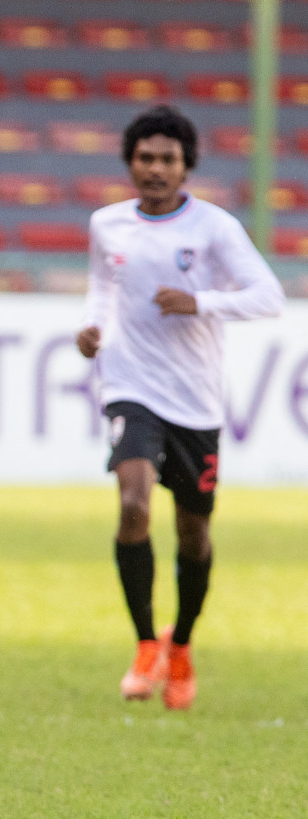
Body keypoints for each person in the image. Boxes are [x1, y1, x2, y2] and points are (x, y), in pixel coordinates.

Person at [77, 105, 283, 710]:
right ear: (130, 163)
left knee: (194, 534)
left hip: (195, 401)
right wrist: (90, 326)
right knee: (134, 505)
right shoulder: (107, 225)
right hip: (129, 385)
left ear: (186, 166)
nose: (156, 168)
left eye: (168, 159)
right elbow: (100, 286)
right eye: (146, 158)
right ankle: (145, 644)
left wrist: (202, 303)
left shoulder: (213, 228)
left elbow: (267, 295)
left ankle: (182, 646)